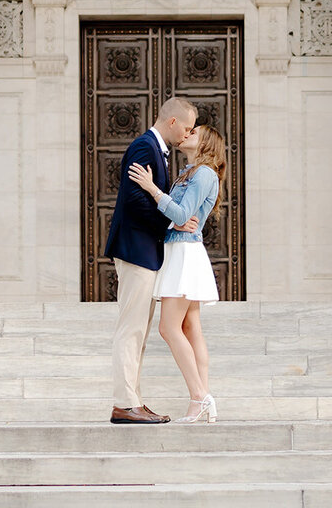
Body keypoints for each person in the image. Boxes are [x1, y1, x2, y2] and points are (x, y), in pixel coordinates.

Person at [105, 96, 199, 425]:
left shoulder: (157, 151)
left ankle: (133, 400)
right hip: (136, 249)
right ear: (172, 122)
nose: (187, 134)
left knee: (138, 332)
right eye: (186, 128)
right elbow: (134, 202)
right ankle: (124, 403)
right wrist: (171, 222)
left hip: (145, 250)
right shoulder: (144, 148)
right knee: (131, 330)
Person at [127, 124, 225, 424]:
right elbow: (178, 218)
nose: (187, 134)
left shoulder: (204, 174)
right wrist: (172, 220)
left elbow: (183, 215)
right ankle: (202, 398)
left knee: (169, 329)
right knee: (191, 327)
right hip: (181, 250)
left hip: (184, 254)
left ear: (206, 143)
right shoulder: (190, 173)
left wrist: (151, 187)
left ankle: (199, 396)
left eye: (194, 132)